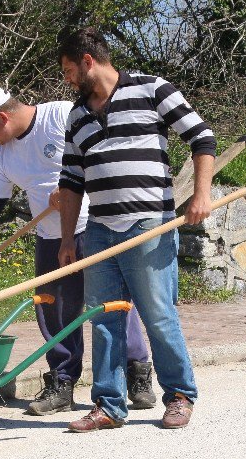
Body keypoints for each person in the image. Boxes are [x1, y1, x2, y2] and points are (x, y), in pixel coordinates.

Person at [0, 86, 156, 415]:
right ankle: (62, 382)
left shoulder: (61, 115)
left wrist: (74, 186)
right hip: (49, 235)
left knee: (111, 302)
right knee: (53, 309)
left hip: (95, 225)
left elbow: (104, 152)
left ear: (3, 117)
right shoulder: (3, 156)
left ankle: (136, 373)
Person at [55, 27, 217, 432]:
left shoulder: (152, 89)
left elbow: (202, 138)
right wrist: (66, 240)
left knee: (158, 314)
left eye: (70, 70)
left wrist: (201, 196)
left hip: (150, 225)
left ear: (89, 61)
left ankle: (179, 396)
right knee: (103, 318)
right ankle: (108, 406)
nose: (68, 79)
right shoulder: (77, 116)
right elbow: (72, 181)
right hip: (99, 230)